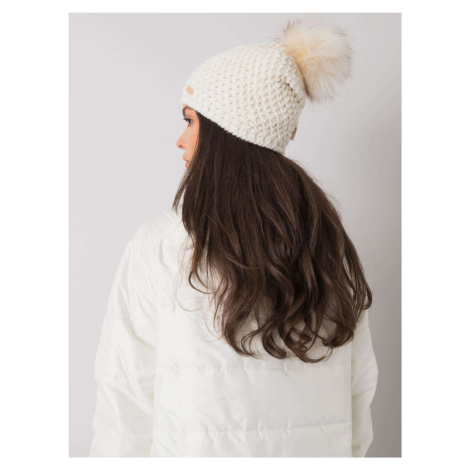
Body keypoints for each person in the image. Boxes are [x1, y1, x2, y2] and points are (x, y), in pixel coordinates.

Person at [89, 18, 379, 458]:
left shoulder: (164, 245)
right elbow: (359, 399)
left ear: (229, 130)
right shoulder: (328, 246)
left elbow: (124, 399)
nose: (180, 140)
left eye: (191, 121)